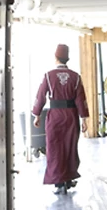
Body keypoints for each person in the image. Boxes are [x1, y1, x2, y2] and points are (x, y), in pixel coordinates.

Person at [31, 44, 89, 194]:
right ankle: (69, 179)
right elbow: (81, 99)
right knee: (70, 146)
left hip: (55, 116)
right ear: (67, 58)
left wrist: (37, 115)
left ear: (56, 57)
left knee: (55, 147)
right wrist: (84, 119)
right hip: (71, 115)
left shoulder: (48, 76)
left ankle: (58, 182)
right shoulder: (76, 77)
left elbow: (40, 96)